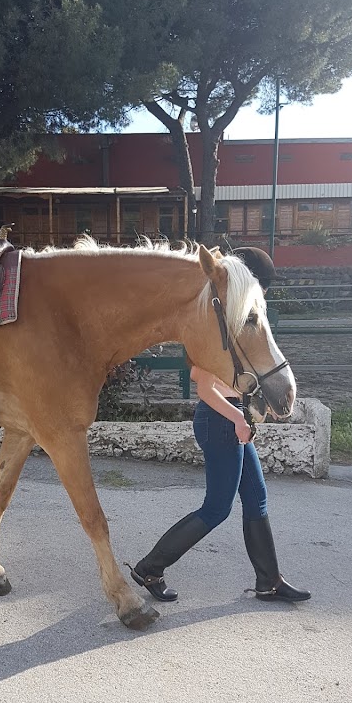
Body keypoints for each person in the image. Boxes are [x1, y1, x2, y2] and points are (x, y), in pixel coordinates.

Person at [127, 247, 311, 604]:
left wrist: (251, 408)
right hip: (219, 421)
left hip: (232, 421)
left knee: (256, 499)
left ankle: (269, 581)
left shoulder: (236, 323)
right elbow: (204, 386)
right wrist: (239, 419)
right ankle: (150, 567)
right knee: (217, 508)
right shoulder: (214, 328)